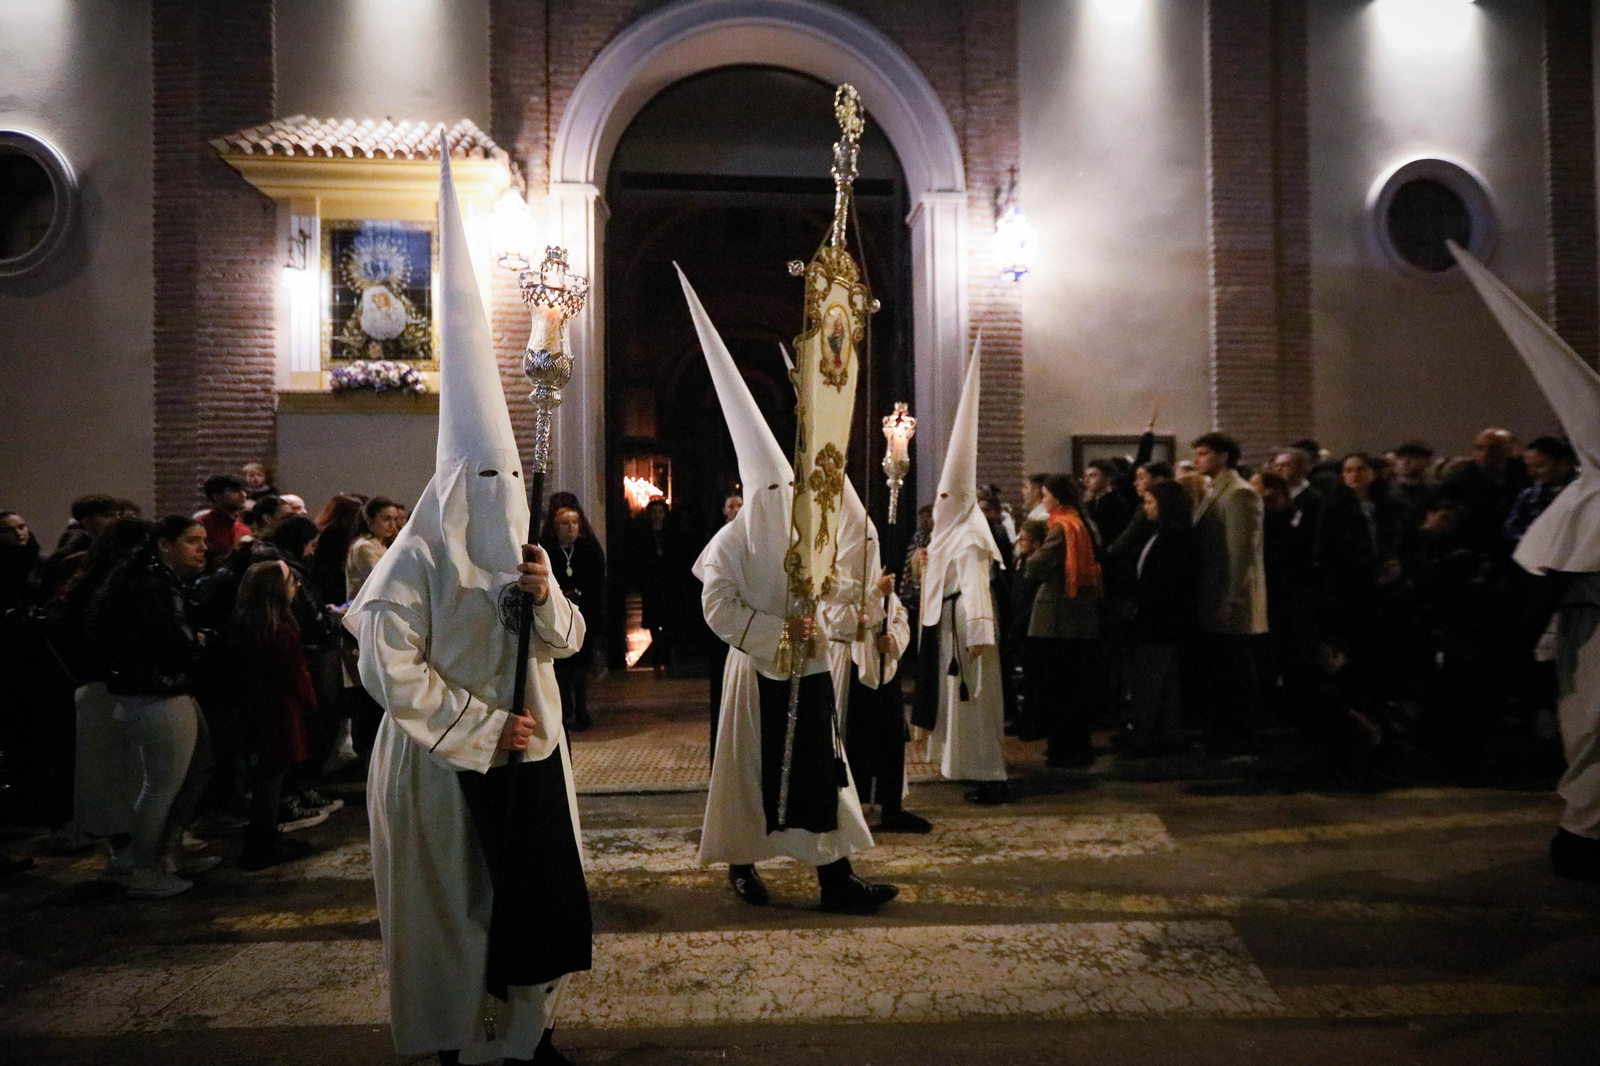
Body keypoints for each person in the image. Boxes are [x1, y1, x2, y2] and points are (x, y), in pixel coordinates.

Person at [346, 154, 590, 1064]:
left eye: (510, 481)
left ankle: (527, 1033)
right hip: (445, 767)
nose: (499, 495)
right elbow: (386, 665)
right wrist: (482, 727)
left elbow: (565, 638)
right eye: (483, 482)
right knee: (454, 912)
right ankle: (456, 1039)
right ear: (453, 488)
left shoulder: (522, 550)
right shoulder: (411, 562)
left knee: (534, 898)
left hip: (532, 752)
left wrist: (542, 596)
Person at [680, 266, 894, 914]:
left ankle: (835, 877)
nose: (781, 503)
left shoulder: (808, 529)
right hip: (758, 672)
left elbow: (830, 588)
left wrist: (850, 614)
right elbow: (716, 604)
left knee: (822, 773)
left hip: (809, 667)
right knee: (751, 777)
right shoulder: (732, 541)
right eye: (769, 494)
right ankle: (742, 863)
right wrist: (776, 631)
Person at [91, 515, 218, 898]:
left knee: (195, 769)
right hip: (155, 693)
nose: (203, 549)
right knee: (161, 787)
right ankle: (145, 870)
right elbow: (174, 645)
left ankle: (166, 854)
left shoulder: (154, 582)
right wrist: (198, 642)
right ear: (165, 544)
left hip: (160, 689)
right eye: (193, 541)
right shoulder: (152, 586)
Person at [915, 344, 1011, 804]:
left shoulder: (971, 538)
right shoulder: (950, 536)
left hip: (969, 636)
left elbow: (975, 590)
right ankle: (963, 766)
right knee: (957, 705)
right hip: (951, 630)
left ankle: (989, 773)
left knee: (974, 704)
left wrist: (978, 636)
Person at [40, 518, 152, 858]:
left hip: (93, 685)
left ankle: (125, 850)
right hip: (113, 687)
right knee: (125, 773)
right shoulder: (115, 589)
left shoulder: (83, 583)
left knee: (107, 775)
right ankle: (133, 852)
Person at [824, 484, 924, 833]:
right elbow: (835, 620)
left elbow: (898, 615)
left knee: (890, 739)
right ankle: (847, 807)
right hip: (848, 664)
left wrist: (892, 639)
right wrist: (870, 604)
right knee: (853, 738)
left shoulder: (879, 575)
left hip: (883, 665)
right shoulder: (833, 575)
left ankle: (891, 806)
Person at [233, 560, 320, 870]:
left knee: (268, 777)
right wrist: (310, 701)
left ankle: (266, 834)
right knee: (271, 778)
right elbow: (293, 673)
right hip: (279, 713)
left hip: (259, 710)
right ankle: (262, 842)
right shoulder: (279, 630)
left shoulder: (250, 623)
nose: (296, 587)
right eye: (291, 582)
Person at [1189, 432, 1268, 757]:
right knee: (1221, 670)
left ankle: (1240, 733)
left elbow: (1241, 553)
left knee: (1235, 670)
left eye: (1204, 453)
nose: (1197, 461)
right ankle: (1223, 731)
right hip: (1212, 593)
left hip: (1229, 597)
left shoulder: (1239, 494)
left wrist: (1232, 597)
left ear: (1224, 457)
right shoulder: (1214, 491)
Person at [1022, 474, 1103, 769]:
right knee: (1075, 686)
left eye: (1045, 495)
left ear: (1056, 497)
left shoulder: (1061, 528)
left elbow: (1036, 565)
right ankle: (1076, 746)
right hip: (1079, 616)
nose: (1043, 500)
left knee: (1059, 687)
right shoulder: (1082, 522)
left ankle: (1064, 749)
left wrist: (1029, 552)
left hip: (1058, 616)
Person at [1124, 480, 1195, 754]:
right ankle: (1166, 734)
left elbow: (1168, 583)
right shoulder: (1159, 533)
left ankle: (1145, 736)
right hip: (1155, 618)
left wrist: (1140, 604)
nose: (1145, 508)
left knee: (1150, 681)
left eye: (1151, 503)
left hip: (1160, 619)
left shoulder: (1174, 538)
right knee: (1163, 682)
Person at [540, 496, 605, 733]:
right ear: (555, 527)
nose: (571, 528)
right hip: (556, 615)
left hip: (584, 614)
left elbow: (597, 582)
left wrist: (580, 593)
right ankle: (565, 711)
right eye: (565, 523)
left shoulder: (589, 549)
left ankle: (581, 710)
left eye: (574, 523)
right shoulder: (546, 549)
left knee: (580, 667)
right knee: (561, 669)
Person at [705, 491, 744, 759]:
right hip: (725, 631)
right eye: (732, 505)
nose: (738, 509)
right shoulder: (722, 541)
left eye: (741, 504)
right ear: (724, 511)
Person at [1506, 436, 1578, 545]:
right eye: (1528, 467)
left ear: (1564, 464)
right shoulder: (1529, 497)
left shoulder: (1586, 493)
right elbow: (1512, 528)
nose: (1531, 473)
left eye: (1539, 466)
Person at [346, 496, 404, 601]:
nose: (392, 525)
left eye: (394, 519)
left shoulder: (379, 544)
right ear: (369, 520)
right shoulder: (364, 546)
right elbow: (384, 580)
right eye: (386, 519)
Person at [199, 475, 251, 561]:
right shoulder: (202, 525)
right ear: (216, 496)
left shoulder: (243, 529)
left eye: (243, 490)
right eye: (234, 491)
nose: (243, 495)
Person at [1389, 441, 1439, 522]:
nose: (1405, 462)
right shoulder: (1386, 490)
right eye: (1400, 457)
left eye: (1413, 457)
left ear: (1427, 461)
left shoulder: (1437, 489)